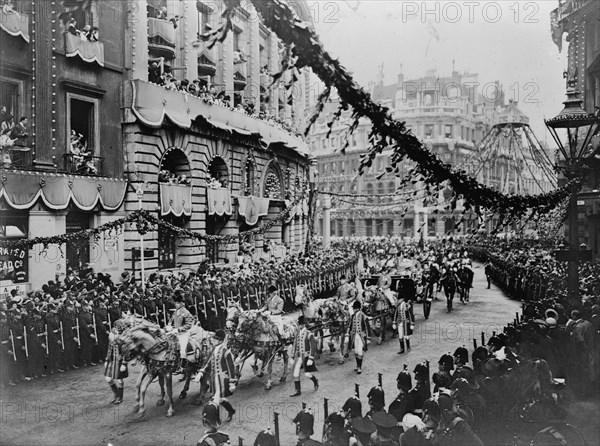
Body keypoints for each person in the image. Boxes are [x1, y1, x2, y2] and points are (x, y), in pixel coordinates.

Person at [195, 329, 236, 422]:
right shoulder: (213, 350)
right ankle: (231, 410)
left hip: (222, 379)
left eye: (216, 339)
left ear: (221, 341)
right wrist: (201, 373)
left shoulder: (226, 352)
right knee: (219, 399)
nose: (213, 340)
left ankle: (215, 421)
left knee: (215, 400)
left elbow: (231, 368)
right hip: (214, 379)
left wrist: (232, 382)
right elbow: (208, 362)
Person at [290, 316, 319, 397]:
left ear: (304, 325)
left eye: (301, 324)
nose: (299, 326)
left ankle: (315, 381)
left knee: (307, 374)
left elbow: (313, 347)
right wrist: (292, 357)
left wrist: (311, 358)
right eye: (299, 324)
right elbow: (294, 345)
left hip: (306, 357)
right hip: (298, 357)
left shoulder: (309, 334)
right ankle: (297, 391)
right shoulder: (297, 334)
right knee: (295, 373)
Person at [168, 292, 193, 373]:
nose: (176, 304)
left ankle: (182, 366)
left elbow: (189, 325)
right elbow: (171, 321)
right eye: (175, 303)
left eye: (177, 303)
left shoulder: (186, 313)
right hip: (175, 332)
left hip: (184, 333)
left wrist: (179, 329)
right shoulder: (176, 312)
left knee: (182, 347)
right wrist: (169, 326)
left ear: (182, 303)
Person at [104, 320, 128, 404]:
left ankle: (120, 397)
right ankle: (116, 394)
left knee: (119, 380)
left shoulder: (125, 337)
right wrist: (106, 360)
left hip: (120, 360)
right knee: (108, 378)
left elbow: (127, 352)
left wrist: (124, 364)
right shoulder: (112, 333)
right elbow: (109, 348)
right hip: (111, 359)